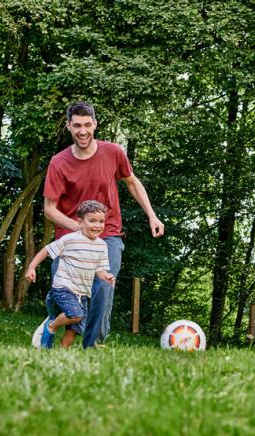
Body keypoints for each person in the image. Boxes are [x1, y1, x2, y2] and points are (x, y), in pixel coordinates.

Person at [39, 101, 164, 349]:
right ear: (68, 127)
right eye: (77, 125)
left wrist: (152, 214)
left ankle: (93, 345)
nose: (82, 131)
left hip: (107, 233)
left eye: (87, 124)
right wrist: (78, 228)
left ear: (95, 124)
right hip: (70, 236)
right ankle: (53, 321)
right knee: (60, 293)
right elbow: (49, 209)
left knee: (103, 285)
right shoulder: (59, 162)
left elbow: (131, 182)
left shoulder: (113, 152)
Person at [25, 200, 115, 349]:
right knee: (75, 315)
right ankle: (52, 326)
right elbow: (46, 250)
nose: (97, 225)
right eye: (92, 221)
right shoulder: (70, 239)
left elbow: (99, 269)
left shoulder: (102, 246)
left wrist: (106, 276)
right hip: (63, 288)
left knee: (75, 329)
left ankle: (58, 353)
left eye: (101, 221)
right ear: (80, 222)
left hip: (82, 293)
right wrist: (31, 267)